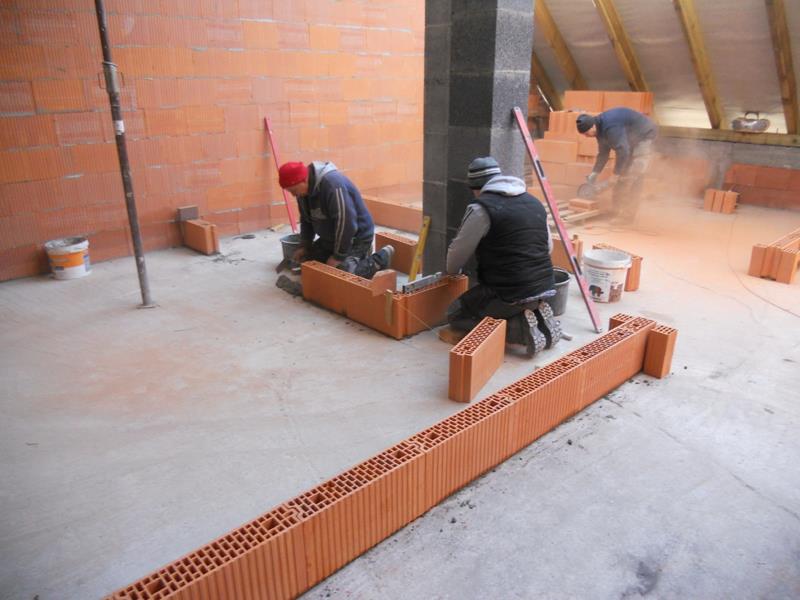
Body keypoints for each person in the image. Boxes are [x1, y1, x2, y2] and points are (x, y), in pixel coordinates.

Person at [444, 157, 561, 356]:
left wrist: (452, 271)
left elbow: (458, 250)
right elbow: (548, 247)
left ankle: (518, 329)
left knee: (456, 315)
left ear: (476, 187)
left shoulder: (481, 208)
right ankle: (536, 314)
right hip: (545, 286)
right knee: (506, 302)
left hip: (508, 292)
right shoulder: (534, 203)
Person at [278, 161, 393, 279]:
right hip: (331, 238)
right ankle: (356, 258)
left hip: (356, 237)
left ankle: (379, 258)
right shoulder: (302, 193)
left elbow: (346, 223)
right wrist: (305, 245)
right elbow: (306, 220)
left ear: (303, 180)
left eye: (293, 190)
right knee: (309, 262)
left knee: (341, 275)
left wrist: (338, 256)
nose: (293, 194)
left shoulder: (332, 184)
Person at [576, 107, 657, 223]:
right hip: (630, 140)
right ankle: (616, 210)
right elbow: (603, 153)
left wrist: (616, 174)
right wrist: (595, 173)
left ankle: (627, 217)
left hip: (645, 134)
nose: (586, 136)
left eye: (586, 133)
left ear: (592, 126)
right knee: (622, 175)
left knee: (633, 176)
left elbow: (623, 151)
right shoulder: (599, 129)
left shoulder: (611, 127)